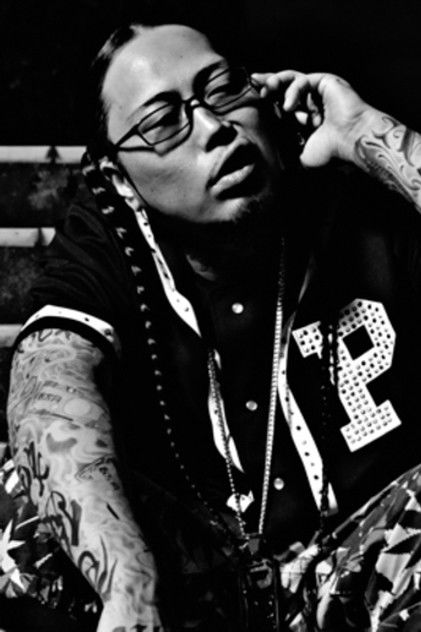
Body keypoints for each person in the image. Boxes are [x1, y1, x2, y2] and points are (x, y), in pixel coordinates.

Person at [6, 9, 421, 632]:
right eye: (162, 122)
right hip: (198, 587)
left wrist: (367, 131)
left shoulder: (358, 199)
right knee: (27, 497)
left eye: (224, 89)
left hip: (361, 576)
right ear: (120, 175)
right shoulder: (110, 234)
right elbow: (50, 386)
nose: (213, 127)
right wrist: (130, 586)